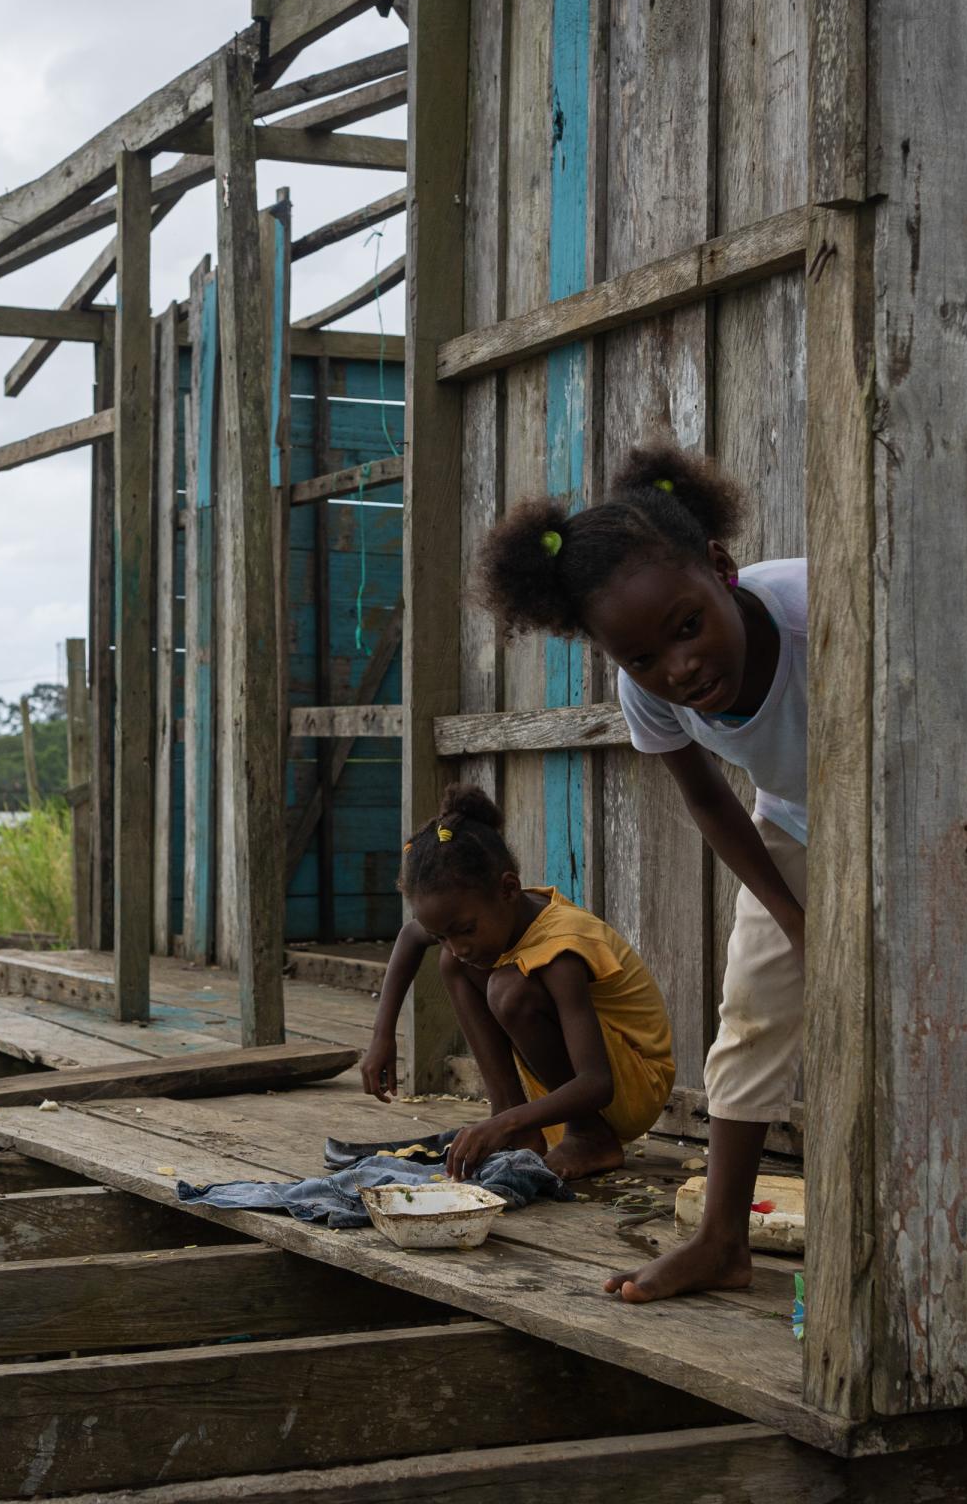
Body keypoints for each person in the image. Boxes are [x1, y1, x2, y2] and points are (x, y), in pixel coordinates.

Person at [476, 443, 807, 1303]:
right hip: (797, 828)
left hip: (920, 815)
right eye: (644, 659)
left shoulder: (815, 608)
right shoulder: (651, 696)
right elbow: (710, 803)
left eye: (688, 628)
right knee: (753, 1016)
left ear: (721, 569)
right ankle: (723, 1243)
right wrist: (791, 912)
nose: (679, 668)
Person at [359, 784, 676, 1182]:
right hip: (582, 1087)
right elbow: (410, 937)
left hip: (631, 1085)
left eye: (464, 930)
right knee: (454, 965)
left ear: (509, 889)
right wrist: (382, 1036)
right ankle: (519, 1128)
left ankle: (589, 1137)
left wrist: (503, 1124)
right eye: (443, 934)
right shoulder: (476, 921)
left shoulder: (561, 948)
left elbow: (597, 1084)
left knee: (509, 990)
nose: (457, 945)